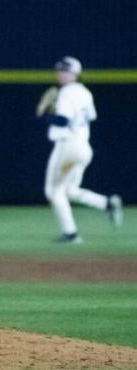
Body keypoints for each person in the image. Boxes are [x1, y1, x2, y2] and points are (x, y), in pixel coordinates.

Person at [38, 56, 123, 243]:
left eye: (66, 71)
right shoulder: (85, 93)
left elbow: (63, 121)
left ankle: (71, 234)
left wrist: (45, 113)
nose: (62, 74)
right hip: (84, 148)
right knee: (69, 190)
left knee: (53, 192)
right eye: (60, 70)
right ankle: (107, 203)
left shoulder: (67, 92)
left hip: (67, 147)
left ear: (75, 73)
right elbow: (90, 116)